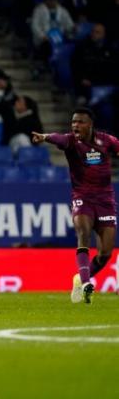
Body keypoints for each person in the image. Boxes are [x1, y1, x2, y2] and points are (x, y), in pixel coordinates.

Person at [31, 108, 118, 304]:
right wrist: (44, 137)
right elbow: (58, 138)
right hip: (82, 197)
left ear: (90, 125)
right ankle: (87, 284)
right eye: (73, 122)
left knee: (105, 254)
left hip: (105, 200)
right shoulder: (71, 141)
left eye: (80, 122)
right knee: (83, 234)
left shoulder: (106, 141)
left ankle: (79, 279)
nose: (75, 125)